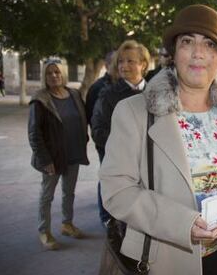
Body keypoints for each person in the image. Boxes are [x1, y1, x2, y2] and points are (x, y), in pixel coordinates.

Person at [99, 4, 217, 275]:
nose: (198, 53)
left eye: (209, 44)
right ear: (173, 53)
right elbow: (116, 190)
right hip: (163, 261)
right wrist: (183, 223)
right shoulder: (133, 111)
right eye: (187, 42)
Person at [28, 60, 89, 250]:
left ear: (63, 74)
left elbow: (83, 118)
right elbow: (34, 133)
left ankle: (67, 224)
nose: (54, 76)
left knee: (69, 192)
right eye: (49, 73)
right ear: (44, 77)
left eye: (57, 72)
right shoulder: (40, 100)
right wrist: (45, 159)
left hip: (74, 152)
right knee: (47, 196)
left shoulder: (74, 94)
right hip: (52, 158)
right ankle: (44, 231)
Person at [91, 40, 150, 227]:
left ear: (143, 64)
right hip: (121, 163)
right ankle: (108, 222)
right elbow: (98, 131)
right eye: (121, 61)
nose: (124, 66)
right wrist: (127, 145)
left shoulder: (156, 93)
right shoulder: (108, 94)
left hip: (151, 162)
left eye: (130, 61)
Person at [85, 51, 114, 227]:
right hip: (104, 142)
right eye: (116, 62)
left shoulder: (120, 85)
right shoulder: (98, 87)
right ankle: (105, 216)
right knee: (106, 176)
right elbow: (91, 116)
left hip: (121, 143)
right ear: (107, 65)